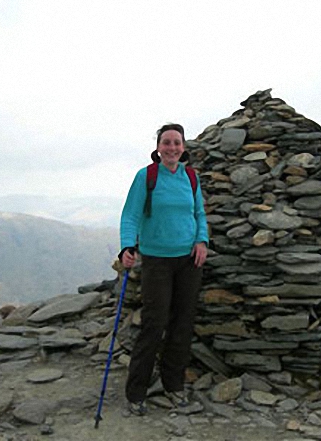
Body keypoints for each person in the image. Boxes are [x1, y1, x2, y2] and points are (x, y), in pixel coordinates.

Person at [119, 123, 209, 416]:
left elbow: (199, 214)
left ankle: (173, 387)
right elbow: (130, 215)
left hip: (188, 261)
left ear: (184, 147)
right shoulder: (147, 176)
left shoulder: (191, 177)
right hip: (156, 260)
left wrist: (202, 241)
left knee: (182, 325)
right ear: (158, 147)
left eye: (177, 143)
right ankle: (136, 393)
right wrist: (126, 247)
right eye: (167, 142)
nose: (172, 148)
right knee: (153, 325)